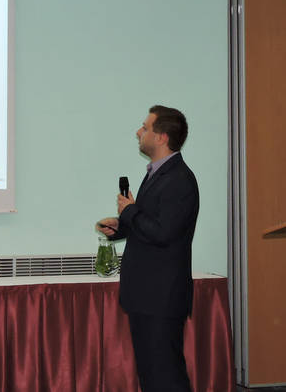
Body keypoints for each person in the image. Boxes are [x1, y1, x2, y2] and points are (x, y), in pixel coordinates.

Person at [96, 105, 199, 392]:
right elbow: (152, 225)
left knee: (166, 377)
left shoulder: (179, 179)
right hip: (147, 295)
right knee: (152, 376)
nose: (138, 132)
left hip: (161, 297)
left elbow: (165, 233)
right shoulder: (157, 174)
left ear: (161, 137)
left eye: (145, 127)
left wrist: (130, 211)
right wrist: (120, 226)